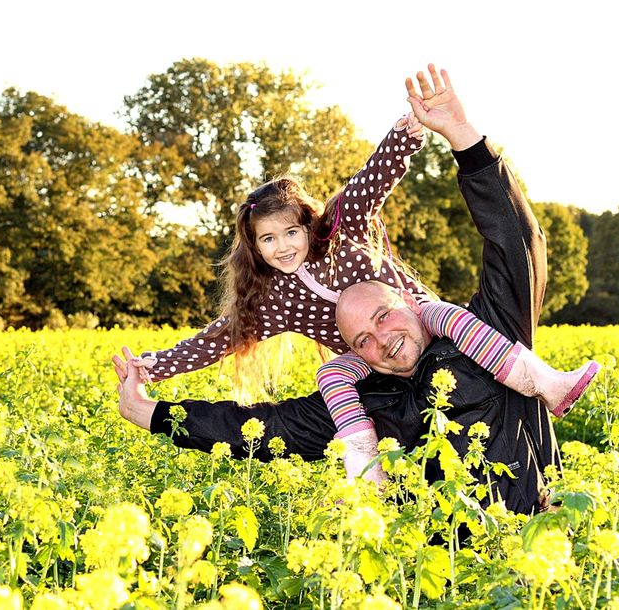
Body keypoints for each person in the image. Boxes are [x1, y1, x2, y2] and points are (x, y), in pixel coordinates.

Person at [114, 63, 568, 514]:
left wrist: (458, 134)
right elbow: (255, 424)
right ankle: (365, 471)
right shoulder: (359, 397)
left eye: (383, 317)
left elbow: (515, 241)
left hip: (537, 558)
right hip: (438, 574)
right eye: (360, 340)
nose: (382, 342)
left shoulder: (485, 334)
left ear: (405, 300)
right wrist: (150, 408)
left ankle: (546, 382)